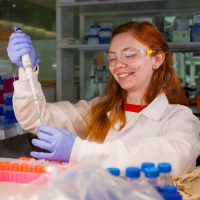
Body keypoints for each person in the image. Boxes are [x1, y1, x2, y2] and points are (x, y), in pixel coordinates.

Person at [7, 22, 200, 176]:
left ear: (157, 59)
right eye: (113, 58)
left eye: (130, 55)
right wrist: (27, 70)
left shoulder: (179, 118)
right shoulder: (97, 109)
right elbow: (36, 118)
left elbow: (171, 159)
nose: (119, 65)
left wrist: (80, 150)